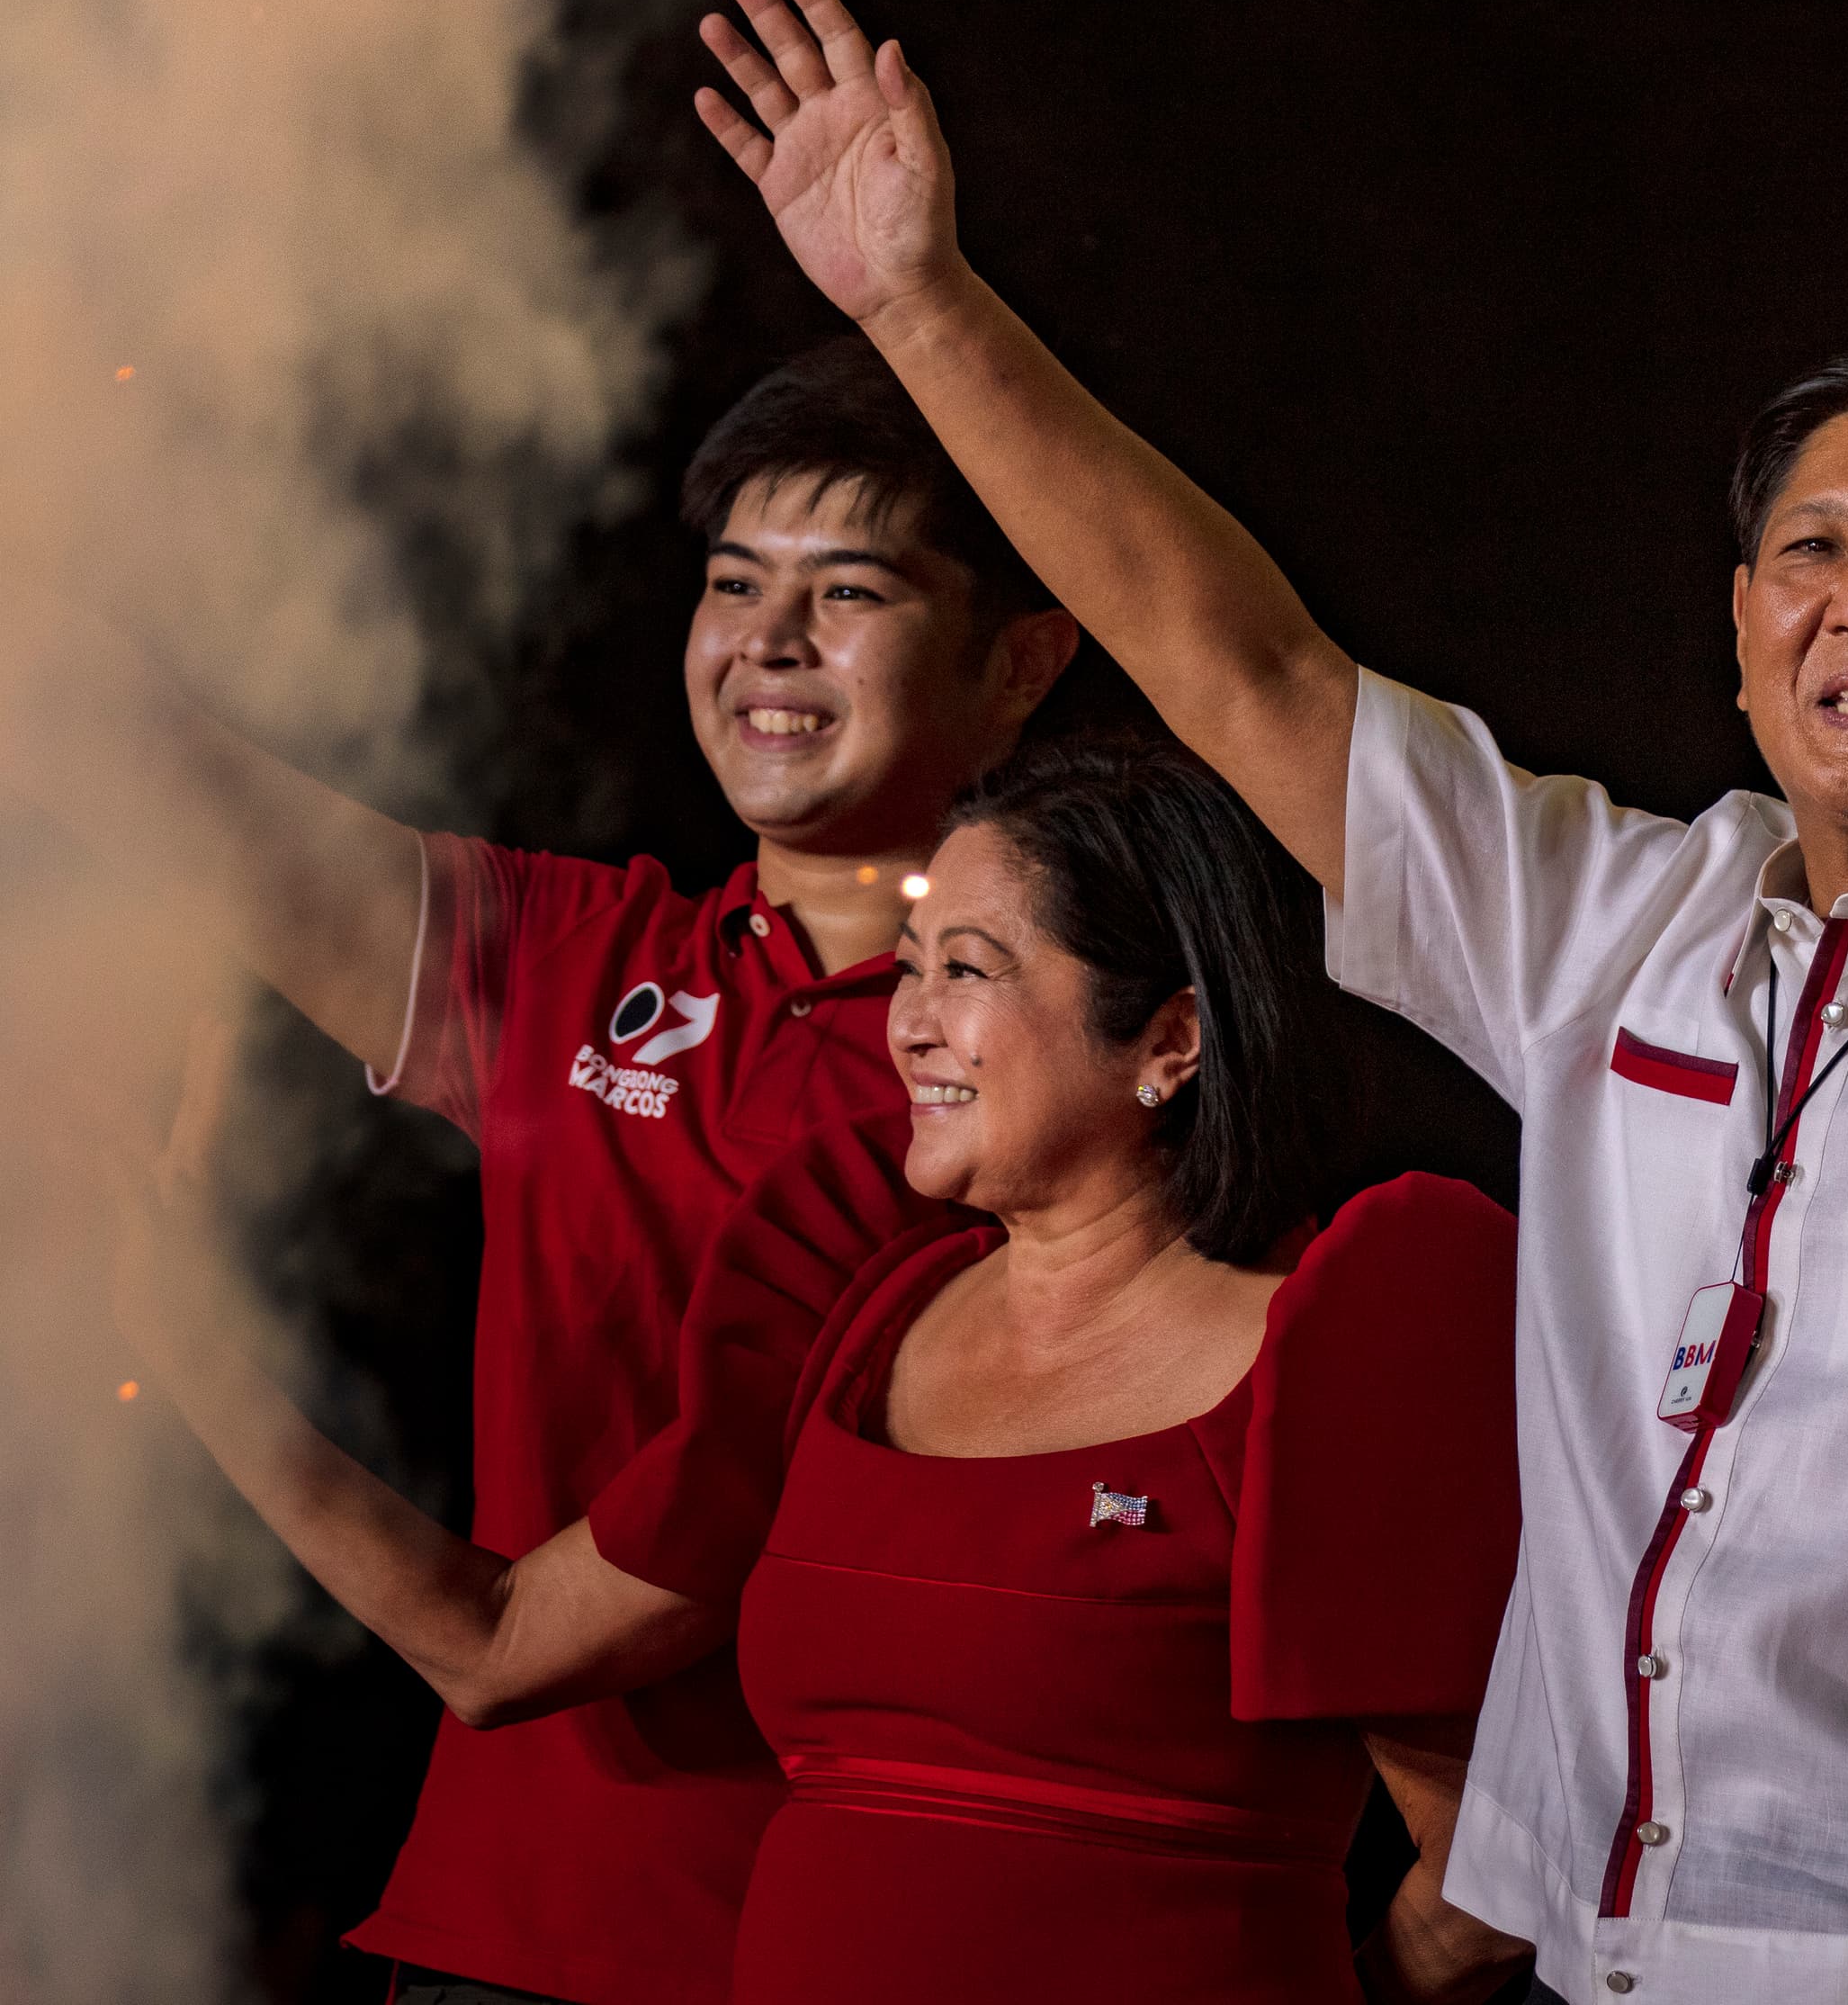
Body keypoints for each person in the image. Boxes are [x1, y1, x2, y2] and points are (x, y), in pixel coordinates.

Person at [686, 0, 1848, 2001]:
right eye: (1813, 553)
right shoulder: (1616, 922)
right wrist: (921, 300)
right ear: (1739, 628)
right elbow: (1249, 668)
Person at [117, 736, 1534, 2002]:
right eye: (911, 966)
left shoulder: (1335, 1337)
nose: (908, 1021)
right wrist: (191, 1356)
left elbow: (1490, 1871)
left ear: (1169, 1038)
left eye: (969, 970)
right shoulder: (855, 1296)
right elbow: (493, 1645)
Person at [21, 340, 1081, 2004]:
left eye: (849, 590)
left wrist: (178, 1341)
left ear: (1022, 663)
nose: (768, 644)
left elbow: (500, 1653)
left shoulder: (1024, 1078)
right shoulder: (588, 957)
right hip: (478, 1945)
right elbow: (155, 774)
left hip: (809, 1955)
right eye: (734, 584)